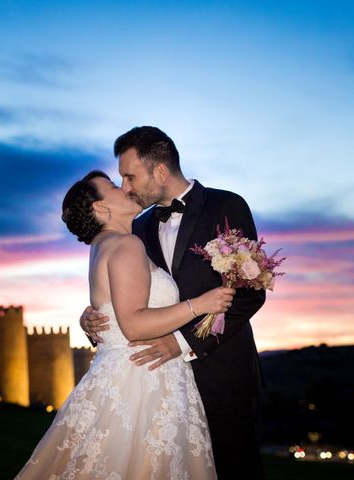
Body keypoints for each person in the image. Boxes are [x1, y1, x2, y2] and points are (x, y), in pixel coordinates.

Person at [15, 170, 235, 479]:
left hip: (122, 374)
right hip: (143, 380)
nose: (125, 189)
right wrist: (201, 305)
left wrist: (89, 321)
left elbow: (112, 315)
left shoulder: (102, 247)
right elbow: (133, 325)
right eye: (114, 187)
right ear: (101, 208)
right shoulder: (126, 244)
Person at [81, 127, 266, 480]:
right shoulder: (136, 228)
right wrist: (91, 318)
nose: (126, 186)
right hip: (157, 386)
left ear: (160, 171)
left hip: (222, 374)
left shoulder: (226, 206)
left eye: (130, 176)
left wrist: (181, 343)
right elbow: (125, 295)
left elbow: (249, 293)